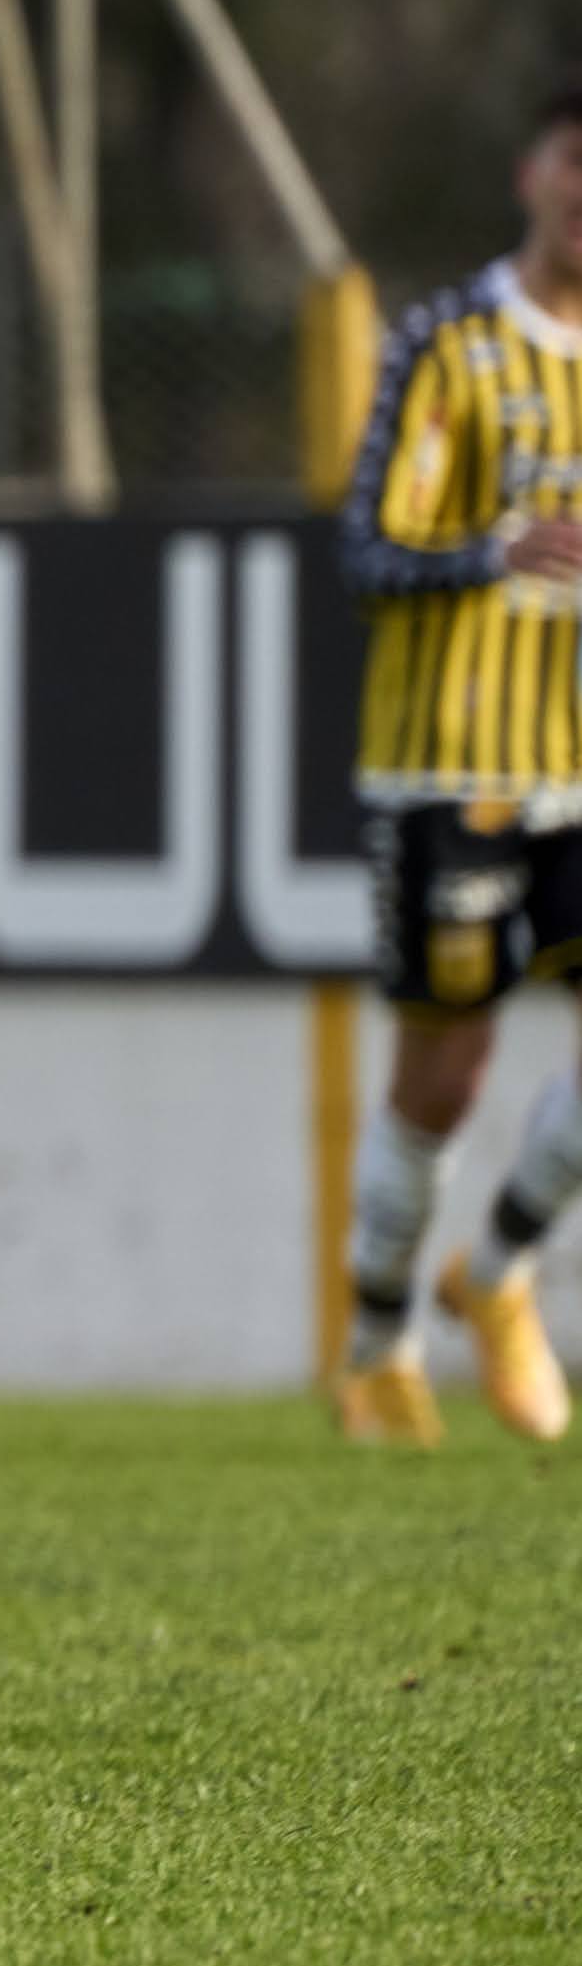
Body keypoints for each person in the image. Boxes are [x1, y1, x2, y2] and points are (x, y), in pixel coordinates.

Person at [330, 87, 582, 1447]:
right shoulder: (449, 341)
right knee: (447, 1071)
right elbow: (364, 548)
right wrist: (483, 551)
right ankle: (373, 1346)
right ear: (530, 173)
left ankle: (491, 1275)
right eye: (572, 165)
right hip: (449, 761)